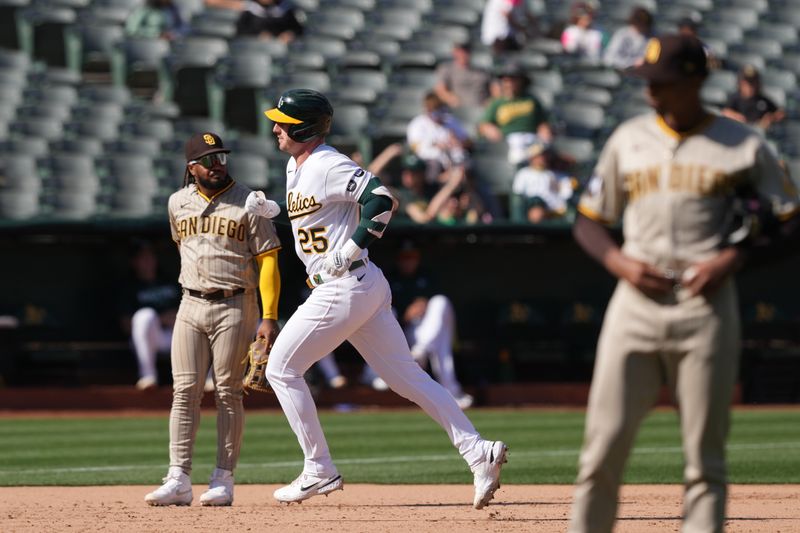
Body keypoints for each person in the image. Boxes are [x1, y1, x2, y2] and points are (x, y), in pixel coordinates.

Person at [568, 34, 800, 533]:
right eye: (648, 82)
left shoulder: (743, 143)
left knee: (704, 464)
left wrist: (732, 259)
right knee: (600, 452)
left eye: (664, 83)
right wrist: (619, 262)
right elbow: (587, 220)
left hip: (706, 307)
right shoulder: (627, 139)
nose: (652, 92)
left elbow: (790, 220)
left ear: (695, 81)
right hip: (634, 305)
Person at [246, 88, 507, 508]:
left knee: (281, 369)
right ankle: (479, 452)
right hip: (362, 286)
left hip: (343, 284)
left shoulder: (328, 162)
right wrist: (276, 209)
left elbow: (382, 199)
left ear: (306, 127)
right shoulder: (299, 165)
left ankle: (318, 469)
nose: (275, 128)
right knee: (407, 377)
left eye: (283, 122)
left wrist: (348, 249)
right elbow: (317, 207)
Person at [144, 132, 282, 507]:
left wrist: (269, 317)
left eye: (220, 157)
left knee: (227, 390)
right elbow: (183, 247)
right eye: (209, 159)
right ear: (192, 167)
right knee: (184, 391)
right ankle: (178, 478)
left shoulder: (250, 202)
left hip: (236, 303)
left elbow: (268, 259)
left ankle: (223, 478)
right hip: (189, 303)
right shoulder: (177, 202)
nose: (218, 164)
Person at [388, 242, 474, 409]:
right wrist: (406, 315)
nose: (408, 262)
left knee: (440, 302)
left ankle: (422, 350)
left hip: (428, 332)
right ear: (398, 260)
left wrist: (424, 302)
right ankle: (452, 391)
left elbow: (438, 304)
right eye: (404, 258)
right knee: (440, 343)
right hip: (404, 334)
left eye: (412, 258)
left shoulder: (427, 276)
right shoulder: (391, 278)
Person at [117, 239, 181, 391]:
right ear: (134, 261)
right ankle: (148, 376)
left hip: (176, 335)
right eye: (142, 257)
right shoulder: (128, 287)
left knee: (204, 317)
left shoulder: (170, 281)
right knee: (145, 316)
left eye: (150, 255)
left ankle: (208, 380)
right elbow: (126, 325)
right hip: (149, 338)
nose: (148, 260)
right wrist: (159, 319)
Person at [478, 63, 553, 167]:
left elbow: (543, 123)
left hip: (532, 138)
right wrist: (490, 130)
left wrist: (544, 131)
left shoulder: (531, 100)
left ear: (521, 81)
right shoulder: (498, 103)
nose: (509, 83)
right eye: (506, 80)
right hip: (510, 141)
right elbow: (484, 125)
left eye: (513, 80)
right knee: (517, 155)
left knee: (542, 153)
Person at [406, 92, 472, 185]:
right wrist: (438, 147)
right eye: (435, 110)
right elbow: (417, 150)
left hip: (455, 161)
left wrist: (457, 142)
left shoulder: (450, 121)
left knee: (468, 166)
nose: (439, 113)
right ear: (428, 110)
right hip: (432, 163)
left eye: (441, 109)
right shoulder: (417, 125)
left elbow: (468, 142)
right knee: (433, 166)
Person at [509, 143, 575, 223]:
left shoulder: (558, 175)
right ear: (532, 158)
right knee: (537, 213)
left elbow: (566, 195)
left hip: (556, 213)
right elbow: (518, 197)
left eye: (545, 155)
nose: (543, 158)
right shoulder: (524, 173)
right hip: (534, 210)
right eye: (539, 156)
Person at [722, 65, 785, 132]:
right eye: (747, 83)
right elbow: (725, 112)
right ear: (741, 83)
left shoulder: (762, 100)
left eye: (753, 82)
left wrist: (771, 117)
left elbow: (781, 113)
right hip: (739, 132)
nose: (750, 86)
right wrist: (738, 117)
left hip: (759, 133)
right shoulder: (735, 98)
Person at [433, 41, 491, 111]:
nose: (463, 54)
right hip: (459, 110)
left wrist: (491, 102)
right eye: (460, 51)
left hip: (481, 109)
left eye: (466, 51)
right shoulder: (447, 69)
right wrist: (451, 99)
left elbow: (494, 89)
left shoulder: (481, 71)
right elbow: (440, 90)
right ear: (454, 52)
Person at [235, 0, 303, 43]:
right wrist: (258, 35)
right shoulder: (249, 9)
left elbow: (298, 29)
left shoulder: (285, 8)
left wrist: (290, 33)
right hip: (256, 47)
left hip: (280, 48)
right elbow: (241, 30)